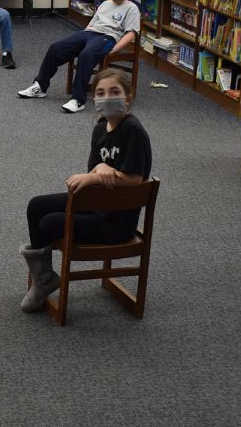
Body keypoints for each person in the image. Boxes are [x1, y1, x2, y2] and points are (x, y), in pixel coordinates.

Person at [19, 68, 152, 312]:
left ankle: (43, 280)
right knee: (36, 206)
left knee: (49, 223)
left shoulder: (132, 130)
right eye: (100, 93)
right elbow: (94, 171)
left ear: (128, 98)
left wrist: (99, 175)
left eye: (114, 92)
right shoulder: (101, 128)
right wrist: (99, 170)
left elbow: (136, 180)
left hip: (116, 222)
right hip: (97, 205)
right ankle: (44, 278)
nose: (107, 97)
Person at [17, 0, 140, 113]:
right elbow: (92, 24)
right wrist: (81, 38)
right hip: (89, 33)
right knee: (56, 48)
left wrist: (113, 49)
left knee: (86, 55)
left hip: (108, 37)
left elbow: (131, 34)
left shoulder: (131, 8)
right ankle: (40, 86)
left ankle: (78, 100)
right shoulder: (105, 4)